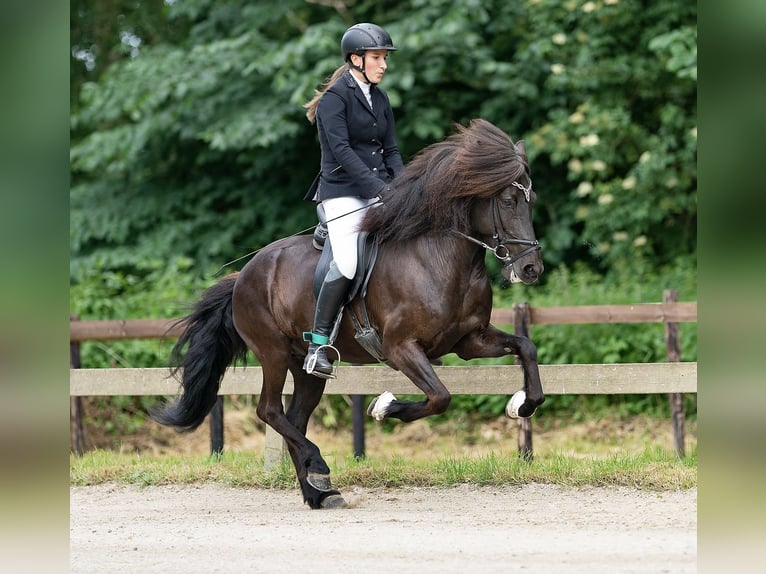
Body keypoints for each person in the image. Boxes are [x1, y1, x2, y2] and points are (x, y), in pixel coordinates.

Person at [301, 22, 404, 378]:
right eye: (377, 57)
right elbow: (342, 152)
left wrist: (404, 187)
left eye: (384, 58)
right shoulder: (334, 99)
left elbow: (390, 149)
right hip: (342, 193)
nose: (384, 64)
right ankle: (317, 347)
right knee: (346, 264)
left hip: (377, 191)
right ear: (356, 58)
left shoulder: (380, 97)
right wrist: (377, 188)